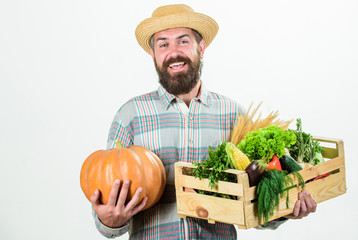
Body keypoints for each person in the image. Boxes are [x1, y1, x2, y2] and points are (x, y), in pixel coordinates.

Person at [89, 4, 317, 239]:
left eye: (183, 41)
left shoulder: (234, 116)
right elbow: (107, 210)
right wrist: (109, 221)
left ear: (201, 46)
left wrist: (284, 210)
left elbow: (253, 202)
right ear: (153, 53)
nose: (174, 52)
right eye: (163, 44)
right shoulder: (130, 116)